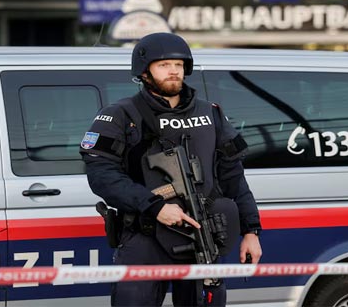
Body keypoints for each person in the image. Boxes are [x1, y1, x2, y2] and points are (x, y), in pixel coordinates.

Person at [80, 32, 262, 307]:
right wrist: (155, 207)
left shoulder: (210, 114)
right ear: (144, 72)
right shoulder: (121, 115)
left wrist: (251, 231)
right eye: (164, 65)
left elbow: (233, 175)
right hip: (145, 235)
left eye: (178, 65)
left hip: (203, 233)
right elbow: (102, 174)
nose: (173, 71)